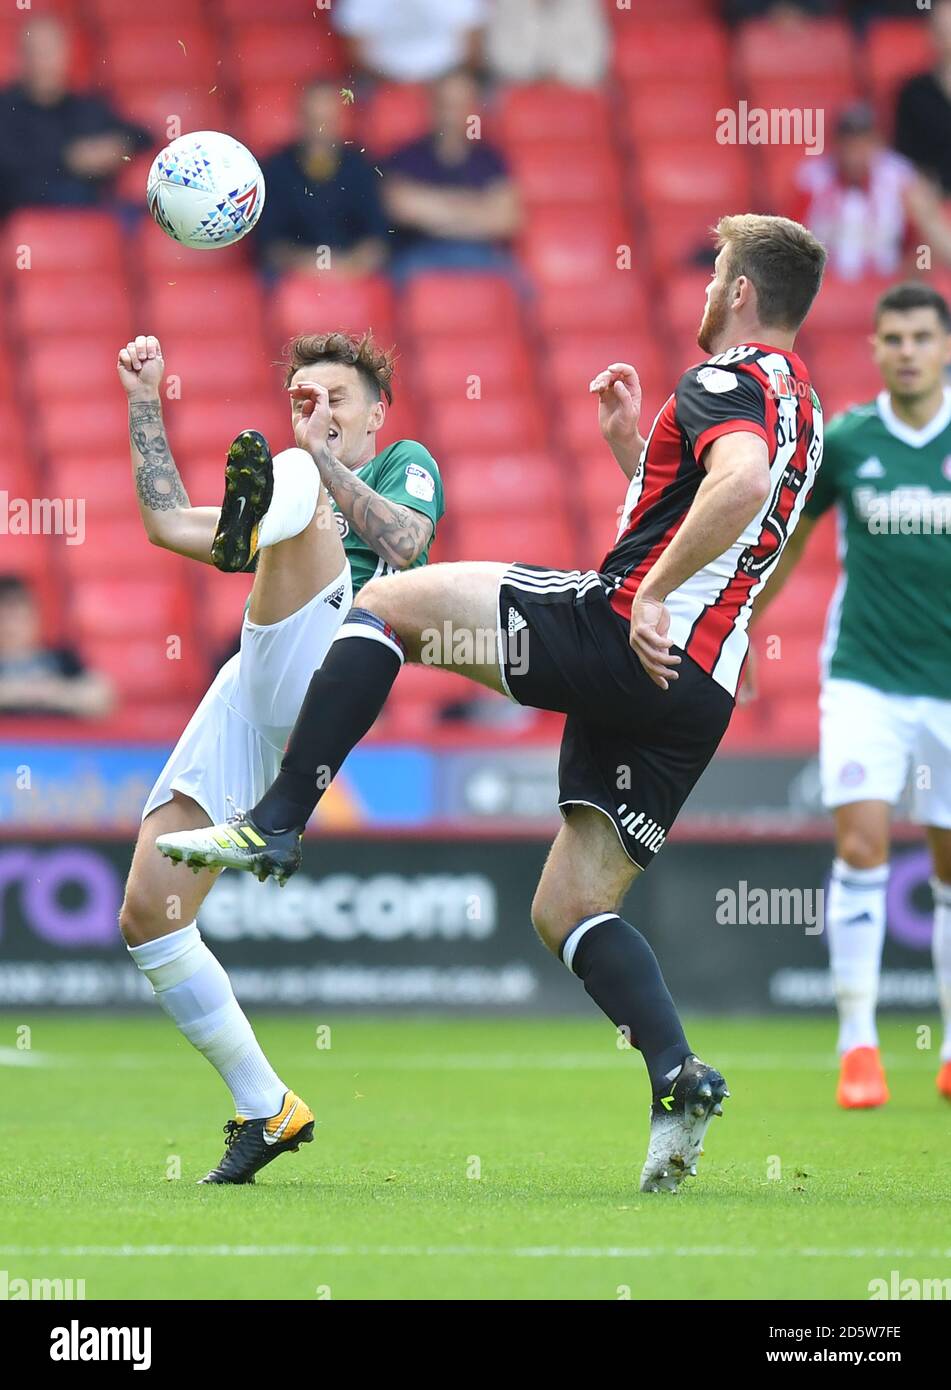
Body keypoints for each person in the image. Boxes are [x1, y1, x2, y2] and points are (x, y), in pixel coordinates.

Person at [157, 213, 828, 1194]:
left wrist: (644, 595)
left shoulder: (722, 378)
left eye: (715, 269)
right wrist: (631, 453)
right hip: (699, 690)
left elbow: (738, 481)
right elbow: (738, 519)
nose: (704, 287)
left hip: (624, 638)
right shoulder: (805, 402)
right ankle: (677, 1074)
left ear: (738, 292)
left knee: (385, 603)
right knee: (570, 905)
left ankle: (275, 821)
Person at [116, 330, 444, 1185]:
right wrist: (145, 398)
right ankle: (268, 1106)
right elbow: (158, 523)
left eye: (338, 398)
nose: (322, 411)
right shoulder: (290, 484)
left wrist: (315, 465)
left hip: (332, 660)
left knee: (292, 479)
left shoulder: (403, 462)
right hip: (252, 682)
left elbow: (408, 547)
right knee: (150, 912)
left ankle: (252, 532)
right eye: (305, 399)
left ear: (378, 411)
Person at [747, 282, 951, 1108]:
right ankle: (857, 1046)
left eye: (919, 337)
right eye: (891, 337)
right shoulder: (849, 440)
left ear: (942, 349)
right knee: (862, 847)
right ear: (873, 349)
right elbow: (790, 540)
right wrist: (743, 624)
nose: (905, 349)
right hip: (864, 676)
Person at [0, 15, 149, 216]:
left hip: (90, 221)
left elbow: (143, 135)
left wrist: (117, 146)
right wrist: (69, 158)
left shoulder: (87, 107)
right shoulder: (6, 108)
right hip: (22, 220)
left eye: (50, 51)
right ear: (21, 56)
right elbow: (11, 168)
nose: (43, 61)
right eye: (35, 52)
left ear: (66, 54)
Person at [383, 69, 521, 282]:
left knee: (522, 286)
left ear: (472, 111)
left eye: (459, 106)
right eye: (445, 105)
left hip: (481, 256)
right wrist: (475, 207)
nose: (451, 115)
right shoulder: (406, 157)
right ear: (432, 107)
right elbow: (401, 209)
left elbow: (506, 219)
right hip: (421, 256)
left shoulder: (490, 159)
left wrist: (431, 208)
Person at [792, 103, 951, 281]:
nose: (854, 155)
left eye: (863, 144)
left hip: (887, 280)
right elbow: (793, 242)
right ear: (835, 144)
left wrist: (907, 273)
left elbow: (925, 242)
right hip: (826, 283)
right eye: (848, 144)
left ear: (877, 143)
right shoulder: (811, 179)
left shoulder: (900, 179)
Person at [256, 80, 388, 277]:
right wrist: (313, 266)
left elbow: (377, 236)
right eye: (313, 121)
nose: (320, 131)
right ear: (299, 120)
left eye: (327, 122)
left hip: (354, 272)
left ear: (340, 122)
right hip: (294, 275)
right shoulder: (275, 169)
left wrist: (350, 266)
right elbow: (268, 244)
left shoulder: (361, 166)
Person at [0, 574, 112, 718]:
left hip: (60, 738)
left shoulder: (62, 658)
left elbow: (101, 698)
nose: (12, 626)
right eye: (5, 617)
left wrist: (52, 694)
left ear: (36, 616)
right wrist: (25, 692)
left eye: (19, 617)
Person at [333, 0, 486, 82]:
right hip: (381, 84)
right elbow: (354, 48)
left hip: (445, 80)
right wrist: (395, 85)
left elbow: (472, 44)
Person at [895, 0, 951, 197]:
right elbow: (904, 161)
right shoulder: (914, 93)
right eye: (942, 30)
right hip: (933, 195)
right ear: (931, 35)